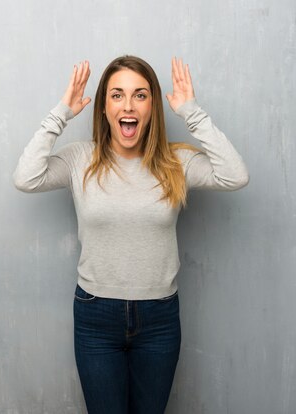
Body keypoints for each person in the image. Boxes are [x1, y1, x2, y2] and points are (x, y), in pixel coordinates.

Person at [13, 55, 249, 414]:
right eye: (117, 95)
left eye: (140, 95)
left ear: (153, 105)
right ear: (104, 108)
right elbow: (26, 178)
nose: (128, 105)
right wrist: (62, 112)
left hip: (159, 320)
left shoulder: (175, 163)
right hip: (96, 317)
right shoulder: (81, 159)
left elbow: (235, 176)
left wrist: (192, 112)